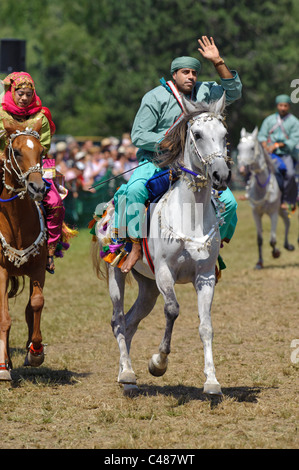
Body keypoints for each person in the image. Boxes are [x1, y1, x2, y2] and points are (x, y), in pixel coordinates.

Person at [112, 36, 242, 273]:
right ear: (174, 74)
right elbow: (139, 135)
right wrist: (168, 142)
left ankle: (213, 249)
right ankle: (133, 247)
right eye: (185, 72)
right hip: (158, 162)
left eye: (194, 72)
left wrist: (218, 61)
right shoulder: (155, 97)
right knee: (133, 191)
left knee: (230, 203)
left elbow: (233, 92)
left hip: (195, 167)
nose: (191, 76)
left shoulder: (206, 91)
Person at [0, 72, 75, 273]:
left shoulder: (41, 116)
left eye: (28, 94)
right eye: (20, 93)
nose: (24, 98)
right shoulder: (1, 114)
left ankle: (48, 252)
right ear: (11, 92)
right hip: (4, 166)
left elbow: (44, 145)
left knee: (55, 202)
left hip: (35, 166)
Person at [258, 94, 299, 209]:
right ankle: (253, 193)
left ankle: (285, 199)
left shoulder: (294, 122)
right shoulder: (269, 120)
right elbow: (262, 135)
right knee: (257, 169)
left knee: (290, 173)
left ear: (289, 107)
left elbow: (294, 139)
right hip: (271, 154)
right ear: (277, 106)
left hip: (286, 154)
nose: (283, 108)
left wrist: (277, 145)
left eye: (285, 106)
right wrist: (265, 145)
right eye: (281, 105)